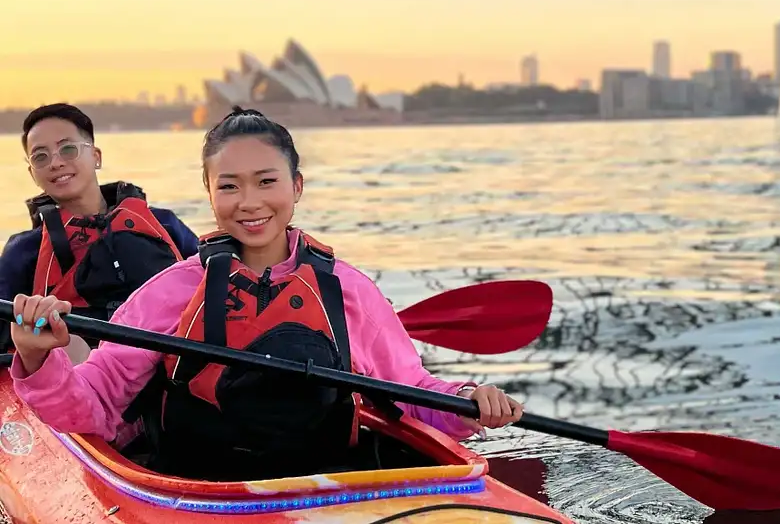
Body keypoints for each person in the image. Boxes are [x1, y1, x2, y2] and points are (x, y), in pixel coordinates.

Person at [7, 106, 524, 481]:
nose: (249, 202)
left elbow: (412, 392)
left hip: (327, 486)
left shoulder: (347, 289)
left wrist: (466, 402)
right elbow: (90, 407)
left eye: (266, 181)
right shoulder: (171, 291)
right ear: (209, 193)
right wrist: (36, 359)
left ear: (296, 186)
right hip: (199, 489)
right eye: (229, 186)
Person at [0, 103, 200, 361]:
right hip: (83, 374)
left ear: (96, 156)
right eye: (41, 157)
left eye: (68, 149)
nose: (56, 163)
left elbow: (215, 285)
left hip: (169, 365)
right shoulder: (24, 251)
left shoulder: (165, 224)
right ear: (32, 173)